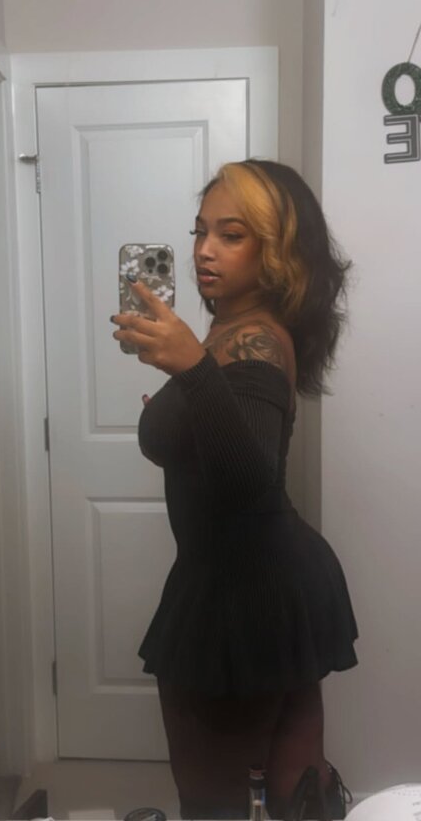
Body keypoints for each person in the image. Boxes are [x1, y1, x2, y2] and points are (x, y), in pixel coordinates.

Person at [110, 159, 358, 820]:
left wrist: (192, 371)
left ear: (277, 253)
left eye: (232, 234)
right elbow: (231, 436)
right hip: (274, 578)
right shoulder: (235, 329)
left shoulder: (253, 341)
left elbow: (250, 480)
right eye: (200, 231)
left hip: (242, 594)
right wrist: (186, 399)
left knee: (212, 802)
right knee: (297, 788)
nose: (203, 250)